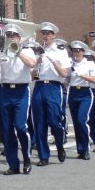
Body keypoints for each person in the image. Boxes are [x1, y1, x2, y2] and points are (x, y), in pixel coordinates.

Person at [0, 24, 36, 175]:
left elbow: (31, 64)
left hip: (21, 91)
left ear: (19, 37)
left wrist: (18, 52)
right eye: (8, 35)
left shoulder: (27, 50)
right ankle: (13, 164)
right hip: (5, 91)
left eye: (13, 35)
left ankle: (27, 158)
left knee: (21, 127)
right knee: (7, 129)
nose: (10, 37)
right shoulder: (1, 52)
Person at [30, 22, 71, 166]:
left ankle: (59, 146)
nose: (46, 36)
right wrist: (36, 63)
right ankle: (43, 156)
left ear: (53, 35)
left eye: (48, 33)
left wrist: (53, 61)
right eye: (44, 33)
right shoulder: (37, 51)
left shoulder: (60, 51)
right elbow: (32, 76)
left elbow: (64, 73)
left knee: (54, 121)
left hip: (54, 86)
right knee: (39, 123)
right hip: (39, 86)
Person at [67, 41, 95, 160]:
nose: (76, 53)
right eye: (74, 50)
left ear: (83, 52)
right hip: (73, 92)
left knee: (81, 120)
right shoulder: (70, 63)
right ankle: (80, 150)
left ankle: (86, 148)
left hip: (85, 93)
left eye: (78, 50)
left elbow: (94, 79)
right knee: (76, 123)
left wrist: (82, 75)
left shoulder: (89, 63)